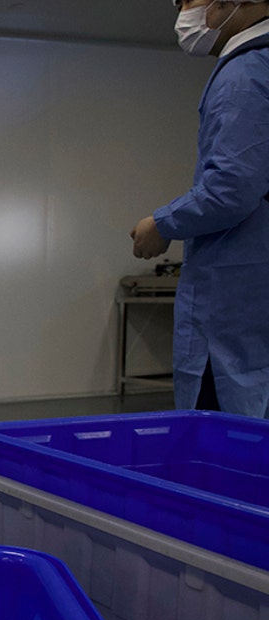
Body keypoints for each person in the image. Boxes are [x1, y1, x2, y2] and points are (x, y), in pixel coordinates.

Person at [132, 0, 269, 417]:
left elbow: (232, 188)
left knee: (230, 453)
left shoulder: (246, 73)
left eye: (190, 0)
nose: (183, 13)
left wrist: (161, 224)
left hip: (238, 313)